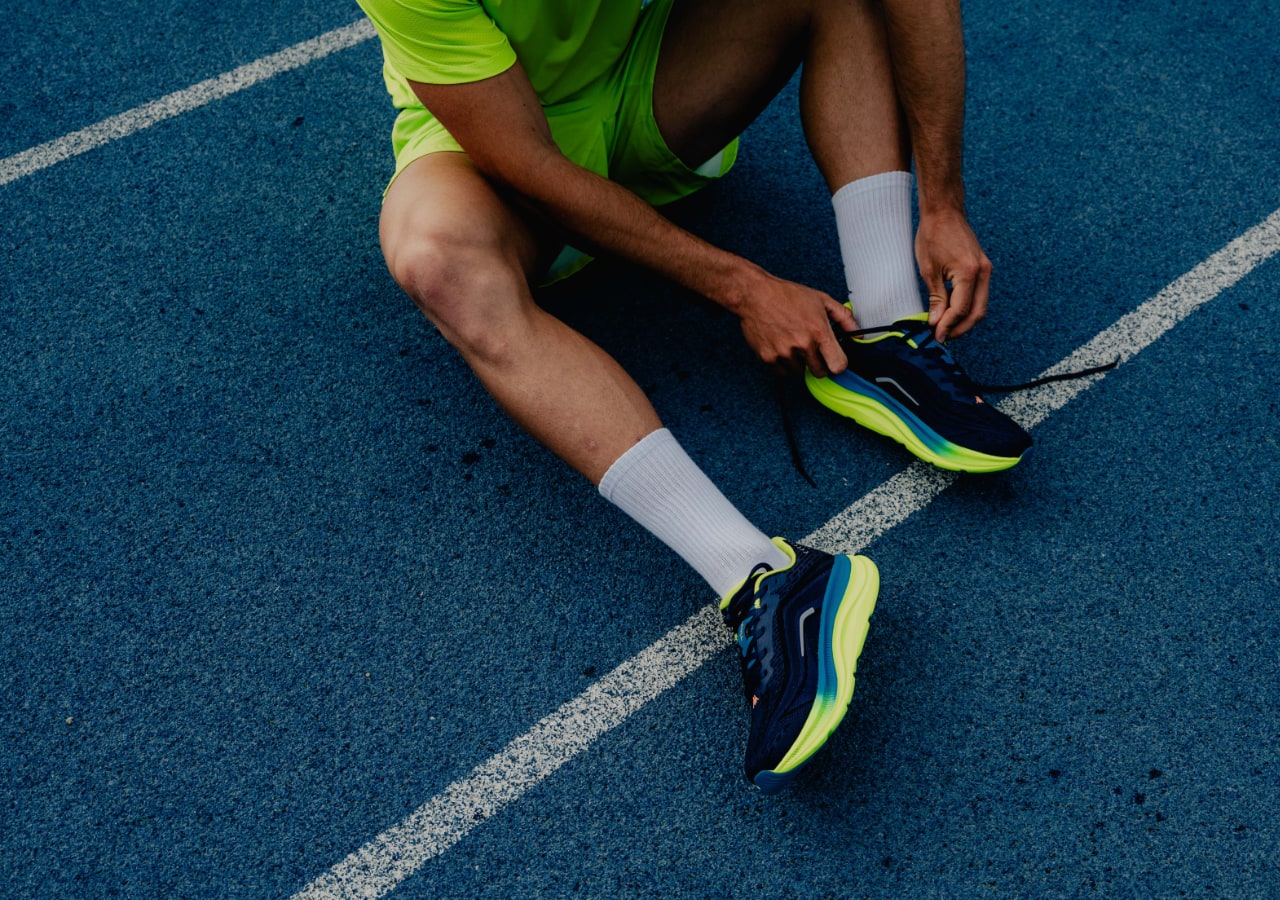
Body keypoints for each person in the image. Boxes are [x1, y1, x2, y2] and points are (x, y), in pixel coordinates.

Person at [353, 0, 1030, 792]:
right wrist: (744, 287)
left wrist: (941, 202)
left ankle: (884, 329)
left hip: (651, 87)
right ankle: (767, 580)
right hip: (500, 152)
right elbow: (524, 164)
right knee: (436, 262)